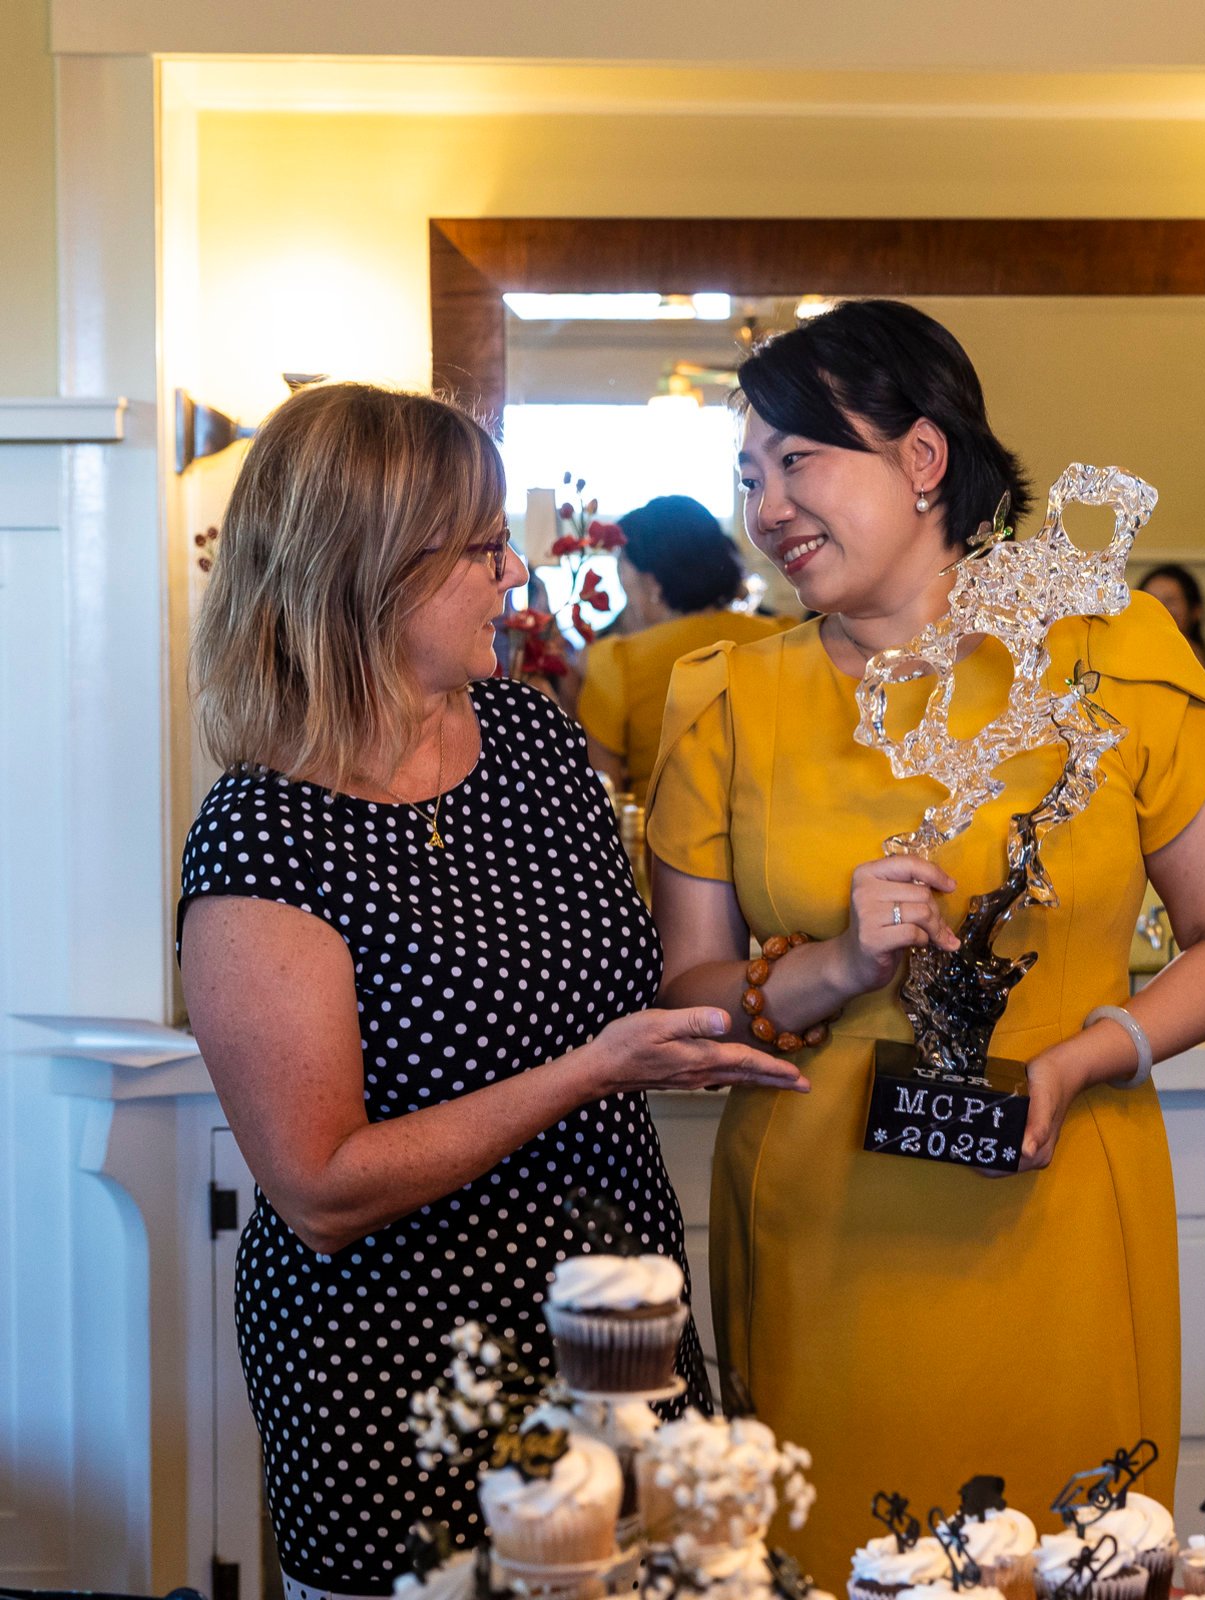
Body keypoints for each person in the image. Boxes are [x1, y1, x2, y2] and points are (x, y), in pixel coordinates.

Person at [645, 301, 1205, 1585]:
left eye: (798, 459)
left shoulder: (1111, 658)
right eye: (748, 474)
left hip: (1058, 1208)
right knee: (834, 1561)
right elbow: (689, 994)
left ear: (924, 458)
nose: (766, 506)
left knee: (1070, 1557)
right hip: (821, 1239)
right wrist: (832, 965)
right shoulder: (725, 697)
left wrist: (1089, 1053)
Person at [177, 383, 807, 1598]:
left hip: (615, 1327)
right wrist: (593, 1072)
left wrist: (823, 970)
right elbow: (321, 1189)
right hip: (401, 1370)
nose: (516, 573)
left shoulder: (531, 739)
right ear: (366, 572)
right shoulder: (265, 833)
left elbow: (633, 988)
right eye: (480, 547)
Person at [578, 494, 788, 793]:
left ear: (652, 582)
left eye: (623, 568)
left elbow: (603, 791)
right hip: (775, 820)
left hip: (660, 823)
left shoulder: (617, 661)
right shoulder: (784, 637)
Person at [1139, 560, 1205, 717]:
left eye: (1170, 601)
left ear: (1195, 611)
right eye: (1151, 600)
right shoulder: (1125, 668)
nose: (1159, 609)